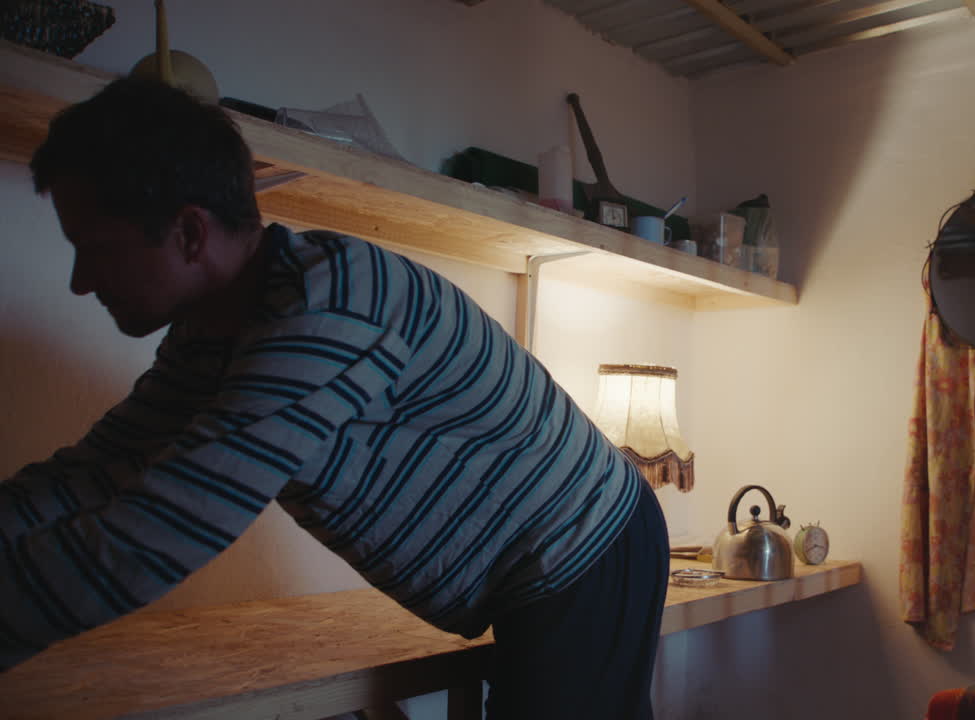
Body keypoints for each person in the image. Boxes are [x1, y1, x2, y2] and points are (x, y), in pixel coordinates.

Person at [0, 76, 669, 718]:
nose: (80, 281)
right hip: (549, 562)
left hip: (589, 543)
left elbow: (160, 527)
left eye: (95, 248)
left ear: (190, 233)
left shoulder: (331, 306)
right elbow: (96, 473)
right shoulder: (211, 337)